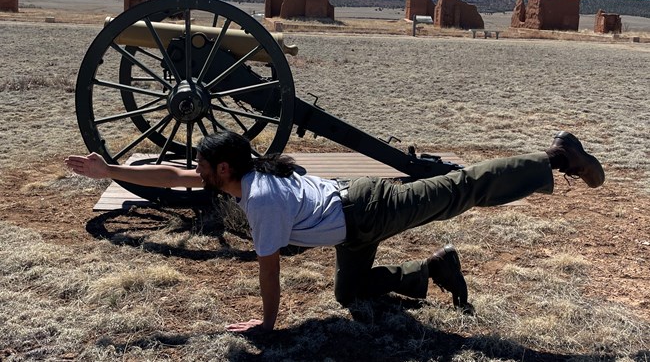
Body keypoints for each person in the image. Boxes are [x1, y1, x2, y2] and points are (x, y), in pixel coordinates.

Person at [65, 130, 605, 333]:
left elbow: (268, 268)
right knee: (349, 293)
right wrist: (111, 170)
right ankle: (431, 270)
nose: (197, 173)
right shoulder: (242, 175)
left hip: (368, 209)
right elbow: (174, 175)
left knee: (457, 188)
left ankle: (553, 158)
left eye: (205, 167)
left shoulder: (260, 200)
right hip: (351, 228)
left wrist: (268, 322)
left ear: (224, 170)